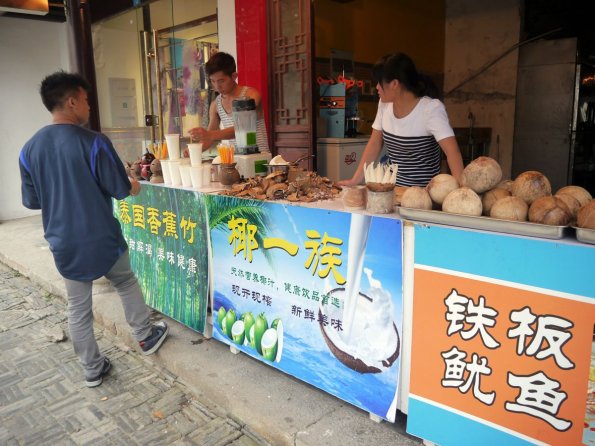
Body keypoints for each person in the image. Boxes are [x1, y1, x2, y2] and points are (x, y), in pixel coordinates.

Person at [19, 71, 169, 388]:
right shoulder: (94, 143)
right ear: (72, 101)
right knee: (126, 281)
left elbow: (32, 201)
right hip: (102, 238)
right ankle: (145, 337)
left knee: (78, 307)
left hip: (63, 242)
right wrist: (133, 185)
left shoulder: (29, 149)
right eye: (86, 100)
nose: (89, 106)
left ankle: (92, 368)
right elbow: (121, 189)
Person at [339, 53, 464, 187]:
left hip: (422, 195)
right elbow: (374, 143)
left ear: (394, 84)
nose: (376, 87)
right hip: (390, 189)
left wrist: (461, 191)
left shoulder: (431, 109)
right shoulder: (384, 104)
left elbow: (452, 152)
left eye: (379, 83)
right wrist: (355, 180)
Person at [188, 52, 269, 152]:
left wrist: (210, 134)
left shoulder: (251, 96)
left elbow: (242, 128)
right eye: (213, 81)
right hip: (236, 160)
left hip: (259, 158)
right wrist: (193, 151)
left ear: (234, 76)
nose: (217, 86)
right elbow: (209, 138)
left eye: (221, 81)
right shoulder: (216, 105)